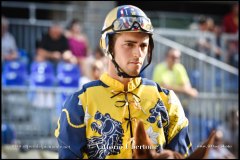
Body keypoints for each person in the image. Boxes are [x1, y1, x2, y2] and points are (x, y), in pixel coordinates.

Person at [55, 5, 193, 159]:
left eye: (143, 45)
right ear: (107, 46)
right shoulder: (80, 103)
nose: (138, 53)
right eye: (129, 44)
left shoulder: (167, 101)